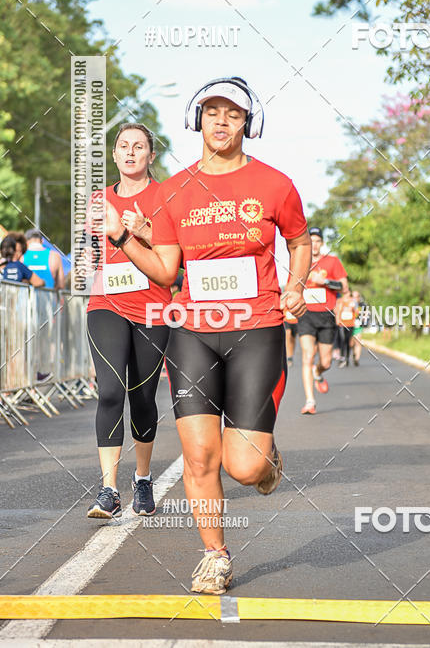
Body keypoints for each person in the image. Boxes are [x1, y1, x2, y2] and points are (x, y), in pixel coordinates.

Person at [102, 76, 311, 595]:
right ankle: (215, 556)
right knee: (198, 456)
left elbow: (299, 240)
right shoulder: (173, 190)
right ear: (198, 119)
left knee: (244, 467)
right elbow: (166, 269)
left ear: (249, 123)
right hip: (193, 330)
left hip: (256, 329)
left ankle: (266, 459)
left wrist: (296, 283)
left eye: (234, 114)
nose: (222, 121)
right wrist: (124, 237)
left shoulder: (275, 184)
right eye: (212, 111)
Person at [84, 123, 172, 520]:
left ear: (151, 156)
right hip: (106, 303)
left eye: (139, 147)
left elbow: (178, 256)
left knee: (142, 398)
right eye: (123, 146)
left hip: (153, 306)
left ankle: (142, 478)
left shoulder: (166, 196)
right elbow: (89, 255)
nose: (131, 152)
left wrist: (144, 231)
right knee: (109, 393)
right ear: (115, 155)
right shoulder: (98, 200)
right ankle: (108, 490)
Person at [296, 227, 348, 414]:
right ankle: (310, 401)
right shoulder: (300, 262)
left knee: (326, 362)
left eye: (318, 240)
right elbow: (291, 286)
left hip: (327, 316)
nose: (314, 244)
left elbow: (344, 287)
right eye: (311, 240)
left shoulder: (332, 262)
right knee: (307, 356)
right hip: (306, 314)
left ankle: (318, 373)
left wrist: (324, 282)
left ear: (322, 243)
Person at [335, 290, 357, 367]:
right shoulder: (340, 301)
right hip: (342, 324)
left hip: (350, 324)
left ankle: (347, 358)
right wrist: (337, 320)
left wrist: (353, 307)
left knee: (348, 341)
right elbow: (337, 311)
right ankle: (342, 358)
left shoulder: (352, 301)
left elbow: (356, 311)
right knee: (343, 340)